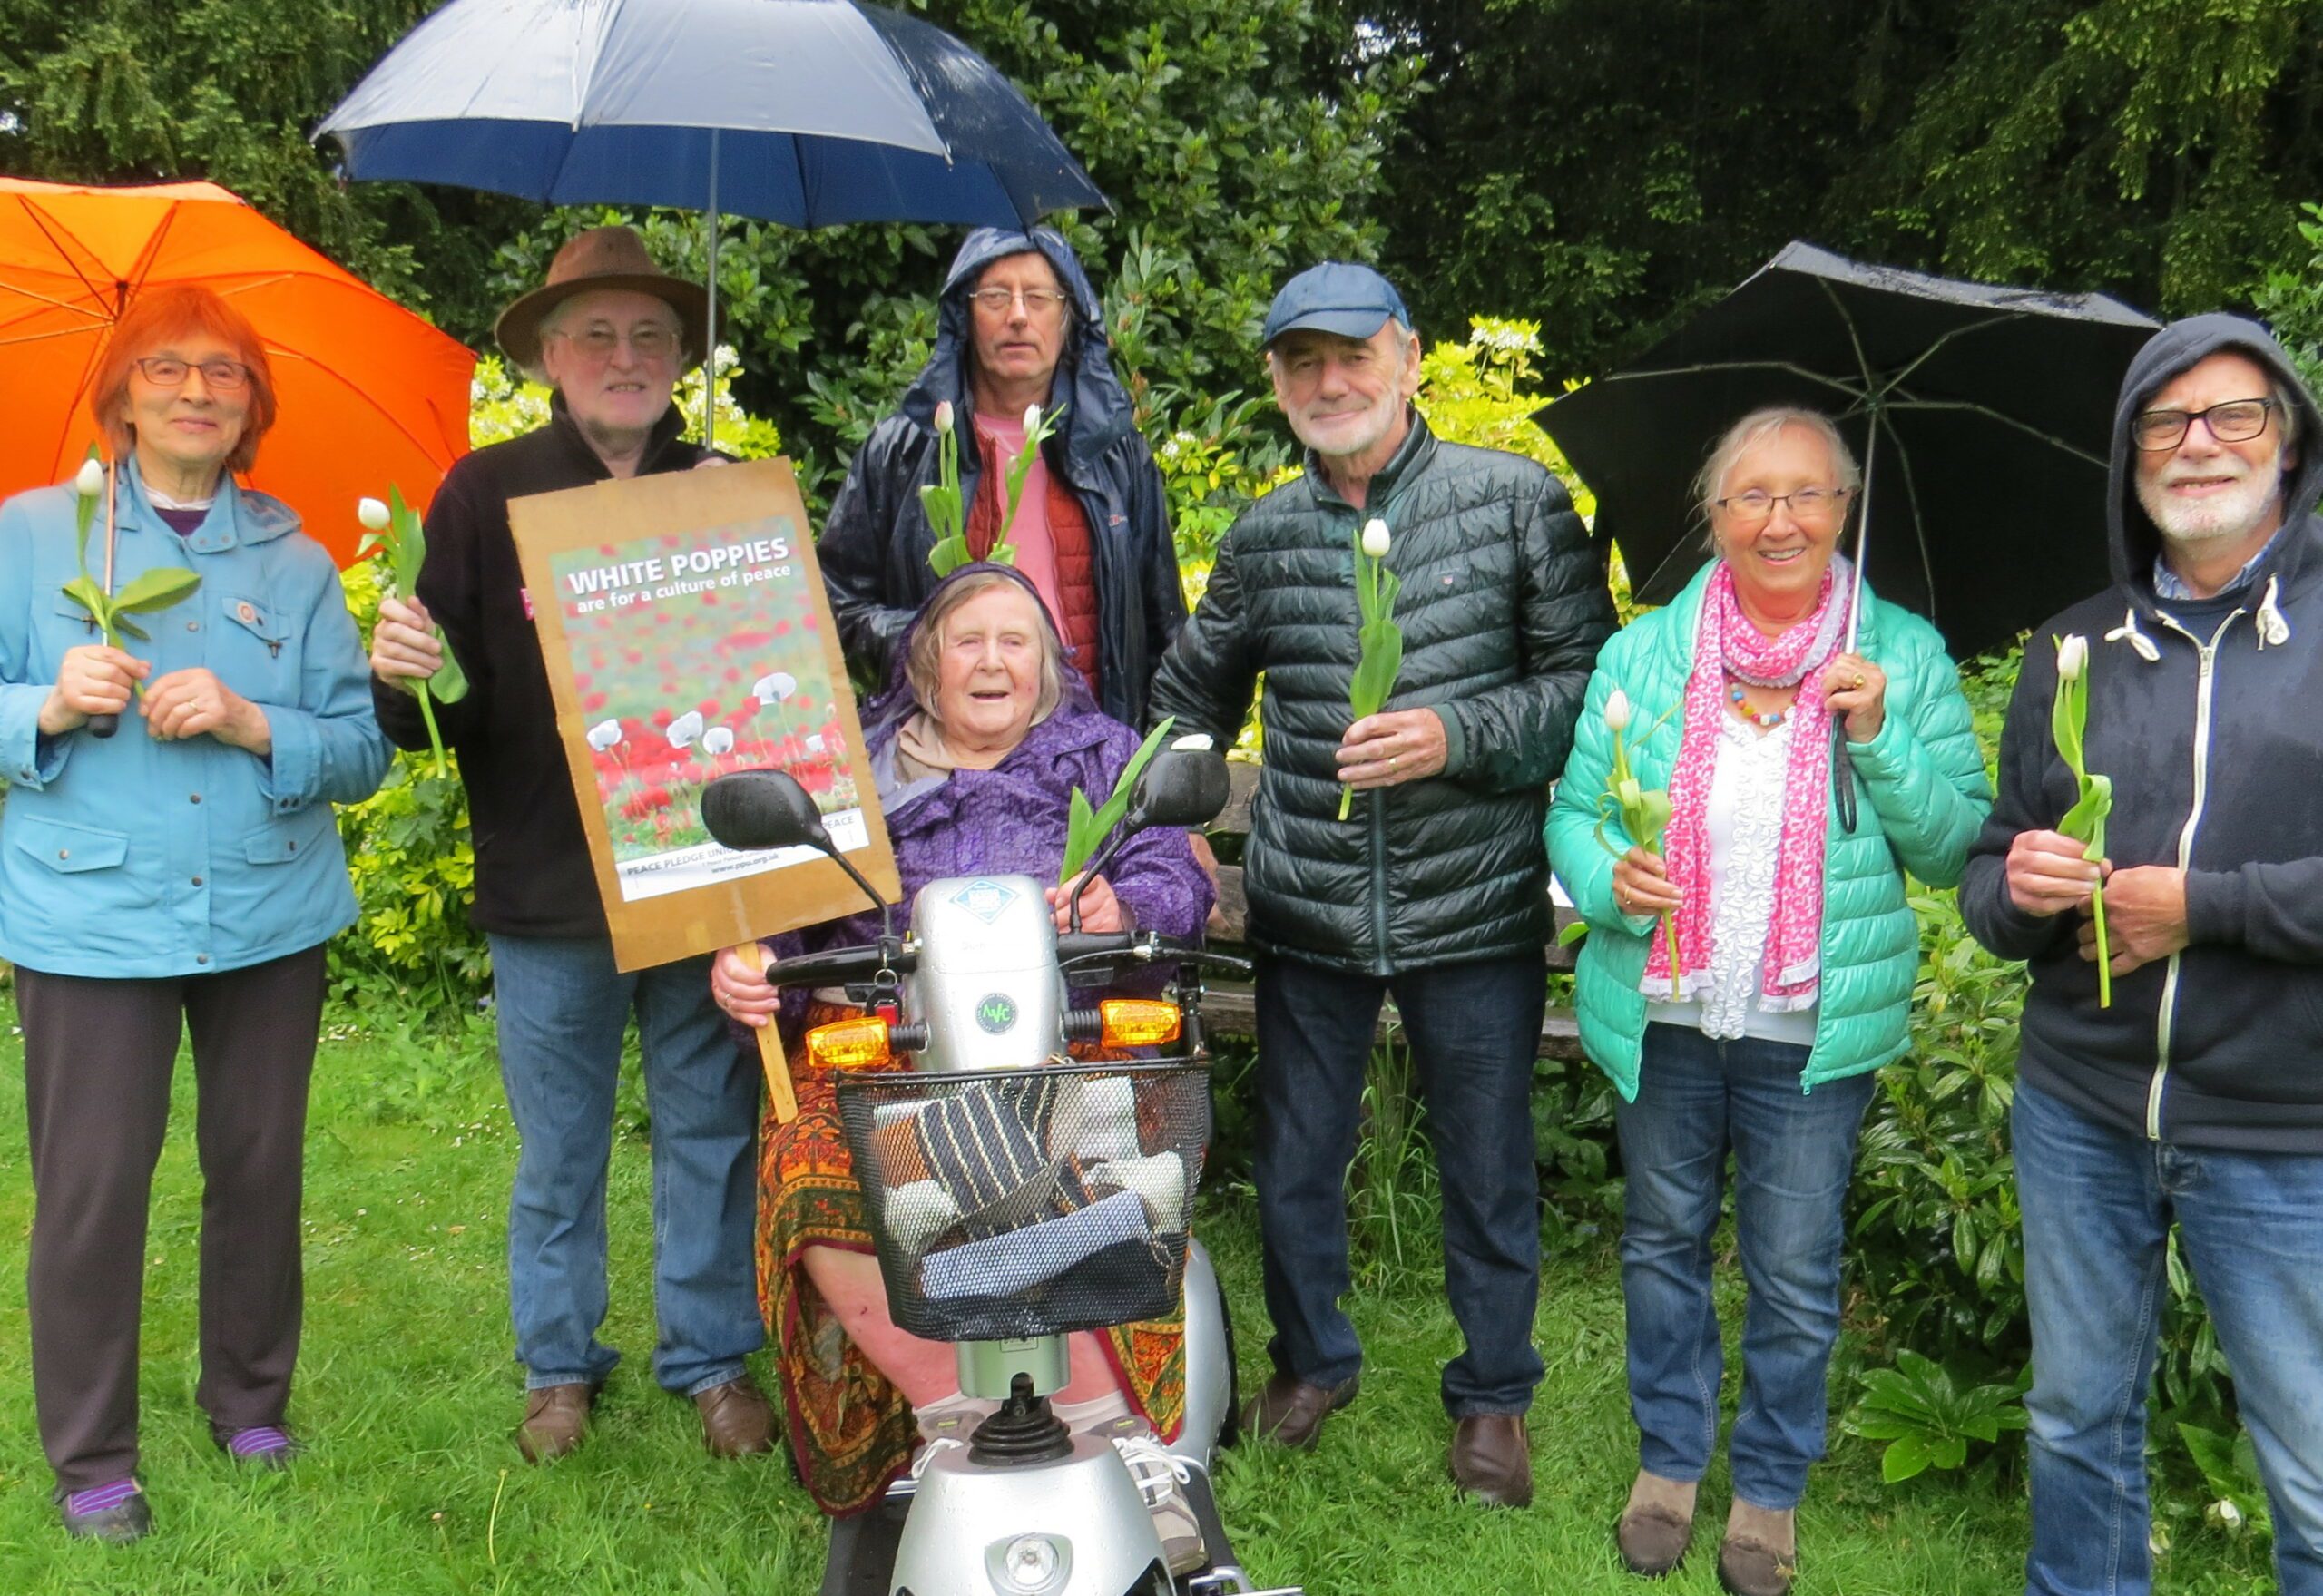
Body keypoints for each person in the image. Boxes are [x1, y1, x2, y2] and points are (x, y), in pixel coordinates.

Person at [1145, 261, 1616, 1506]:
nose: (1330, 381)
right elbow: (1189, 697)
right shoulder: (1261, 533)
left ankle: (1496, 1396)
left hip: (1474, 903)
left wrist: (1455, 734)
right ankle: (1311, 1362)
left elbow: (1590, 691)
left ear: (1408, 356)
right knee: (1296, 1152)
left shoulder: (1515, 504)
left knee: (1487, 1155)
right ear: (1278, 383)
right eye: (1303, 362)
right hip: (1307, 906)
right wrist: (1182, 818)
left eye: (1353, 355)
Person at [1546, 407, 1990, 1594]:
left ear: (1847, 508)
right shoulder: (1646, 654)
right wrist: (1608, 877)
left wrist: (1884, 734)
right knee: (1661, 1244)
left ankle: (1770, 1489)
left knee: (1794, 1268)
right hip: (1672, 1009)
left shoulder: (1899, 654)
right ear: (1715, 514)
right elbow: (1575, 817)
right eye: (1753, 495)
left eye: (1808, 494)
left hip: (1812, 1035)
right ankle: (1670, 1462)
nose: (1780, 518)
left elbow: (1954, 848)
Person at [711, 564, 1214, 1568]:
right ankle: (947, 1405)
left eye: (1015, 640)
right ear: (924, 663)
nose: (992, 660)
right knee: (813, 1157)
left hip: (1065, 1031)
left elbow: (1170, 875)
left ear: (1046, 665)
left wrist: (1126, 910)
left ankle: (1120, 1437)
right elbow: (781, 921)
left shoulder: (1103, 754)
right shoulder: (856, 766)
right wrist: (755, 972)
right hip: (892, 1045)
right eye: (966, 639)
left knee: (1117, 1147)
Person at [368, 226, 774, 1463]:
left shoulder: (724, 490)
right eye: (596, 331)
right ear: (549, 350)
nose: (625, 355)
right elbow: (443, 713)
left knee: (710, 1128)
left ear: (680, 356)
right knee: (561, 1146)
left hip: (697, 874)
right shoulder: (482, 493)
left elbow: (777, 690)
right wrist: (406, 671)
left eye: (652, 333)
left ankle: (710, 1357)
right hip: (548, 885)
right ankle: (559, 1363)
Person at [0, 284, 390, 1542]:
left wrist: (250, 717)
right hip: (90, 916)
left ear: (253, 404)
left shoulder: (294, 558)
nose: (196, 390)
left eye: (224, 371)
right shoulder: (29, 540)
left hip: (268, 914)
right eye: (165, 366)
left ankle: (249, 1398)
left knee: (258, 1166)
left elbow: (359, 747)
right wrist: (45, 704)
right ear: (118, 391)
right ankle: (93, 1453)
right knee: (95, 1183)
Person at [1960, 316, 2323, 1596]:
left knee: (2316, 1472)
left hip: (2285, 1125)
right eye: (2165, 423)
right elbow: (1989, 881)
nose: (2199, 444)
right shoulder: (2075, 649)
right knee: (2074, 1419)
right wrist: (2022, 887)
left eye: (2236, 414)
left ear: (2290, 440)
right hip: (2081, 1106)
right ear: (2129, 460)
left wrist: (2205, 906)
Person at [818, 227, 1185, 729]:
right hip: (940, 753)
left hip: (1091, 754)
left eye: (1038, 297)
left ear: (1068, 318)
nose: (1017, 315)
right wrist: (920, 642)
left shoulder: (1116, 455)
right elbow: (833, 601)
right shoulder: (904, 450)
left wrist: (1157, 756)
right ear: (964, 317)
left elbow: (1164, 627)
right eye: (995, 296)